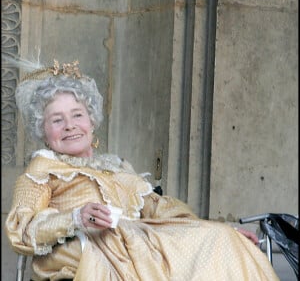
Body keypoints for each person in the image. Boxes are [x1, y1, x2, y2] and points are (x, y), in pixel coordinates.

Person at [5, 59, 279, 281]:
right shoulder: (42, 168)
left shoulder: (117, 167)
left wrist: (218, 229)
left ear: (91, 120)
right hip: (89, 250)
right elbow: (23, 228)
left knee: (222, 240)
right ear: (43, 130)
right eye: (57, 119)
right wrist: (76, 217)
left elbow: (161, 208)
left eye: (77, 114)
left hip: (139, 245)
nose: (69, 125)